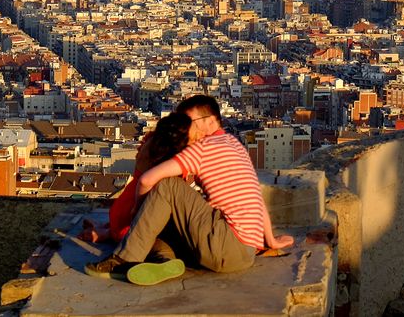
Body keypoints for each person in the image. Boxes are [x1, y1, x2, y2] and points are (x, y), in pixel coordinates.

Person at [86, 96, 294, 285]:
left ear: (209, 121)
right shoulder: (235, 144)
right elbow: (255, 198)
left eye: (188, 122)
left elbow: (149, 180)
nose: (184, 128)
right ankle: (164, 260)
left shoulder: (201, 148)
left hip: (225, 245)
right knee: (161, 219)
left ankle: (123, 260)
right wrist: (271, 240)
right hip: (245, 253)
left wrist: (136, 211)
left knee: (166, 185)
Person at [78, 112, 191, 253]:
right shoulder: (171, 159)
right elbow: (146, 185)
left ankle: (106, 229)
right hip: (129, 226)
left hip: (119, 212)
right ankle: (108, 233)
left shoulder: (150, 142)